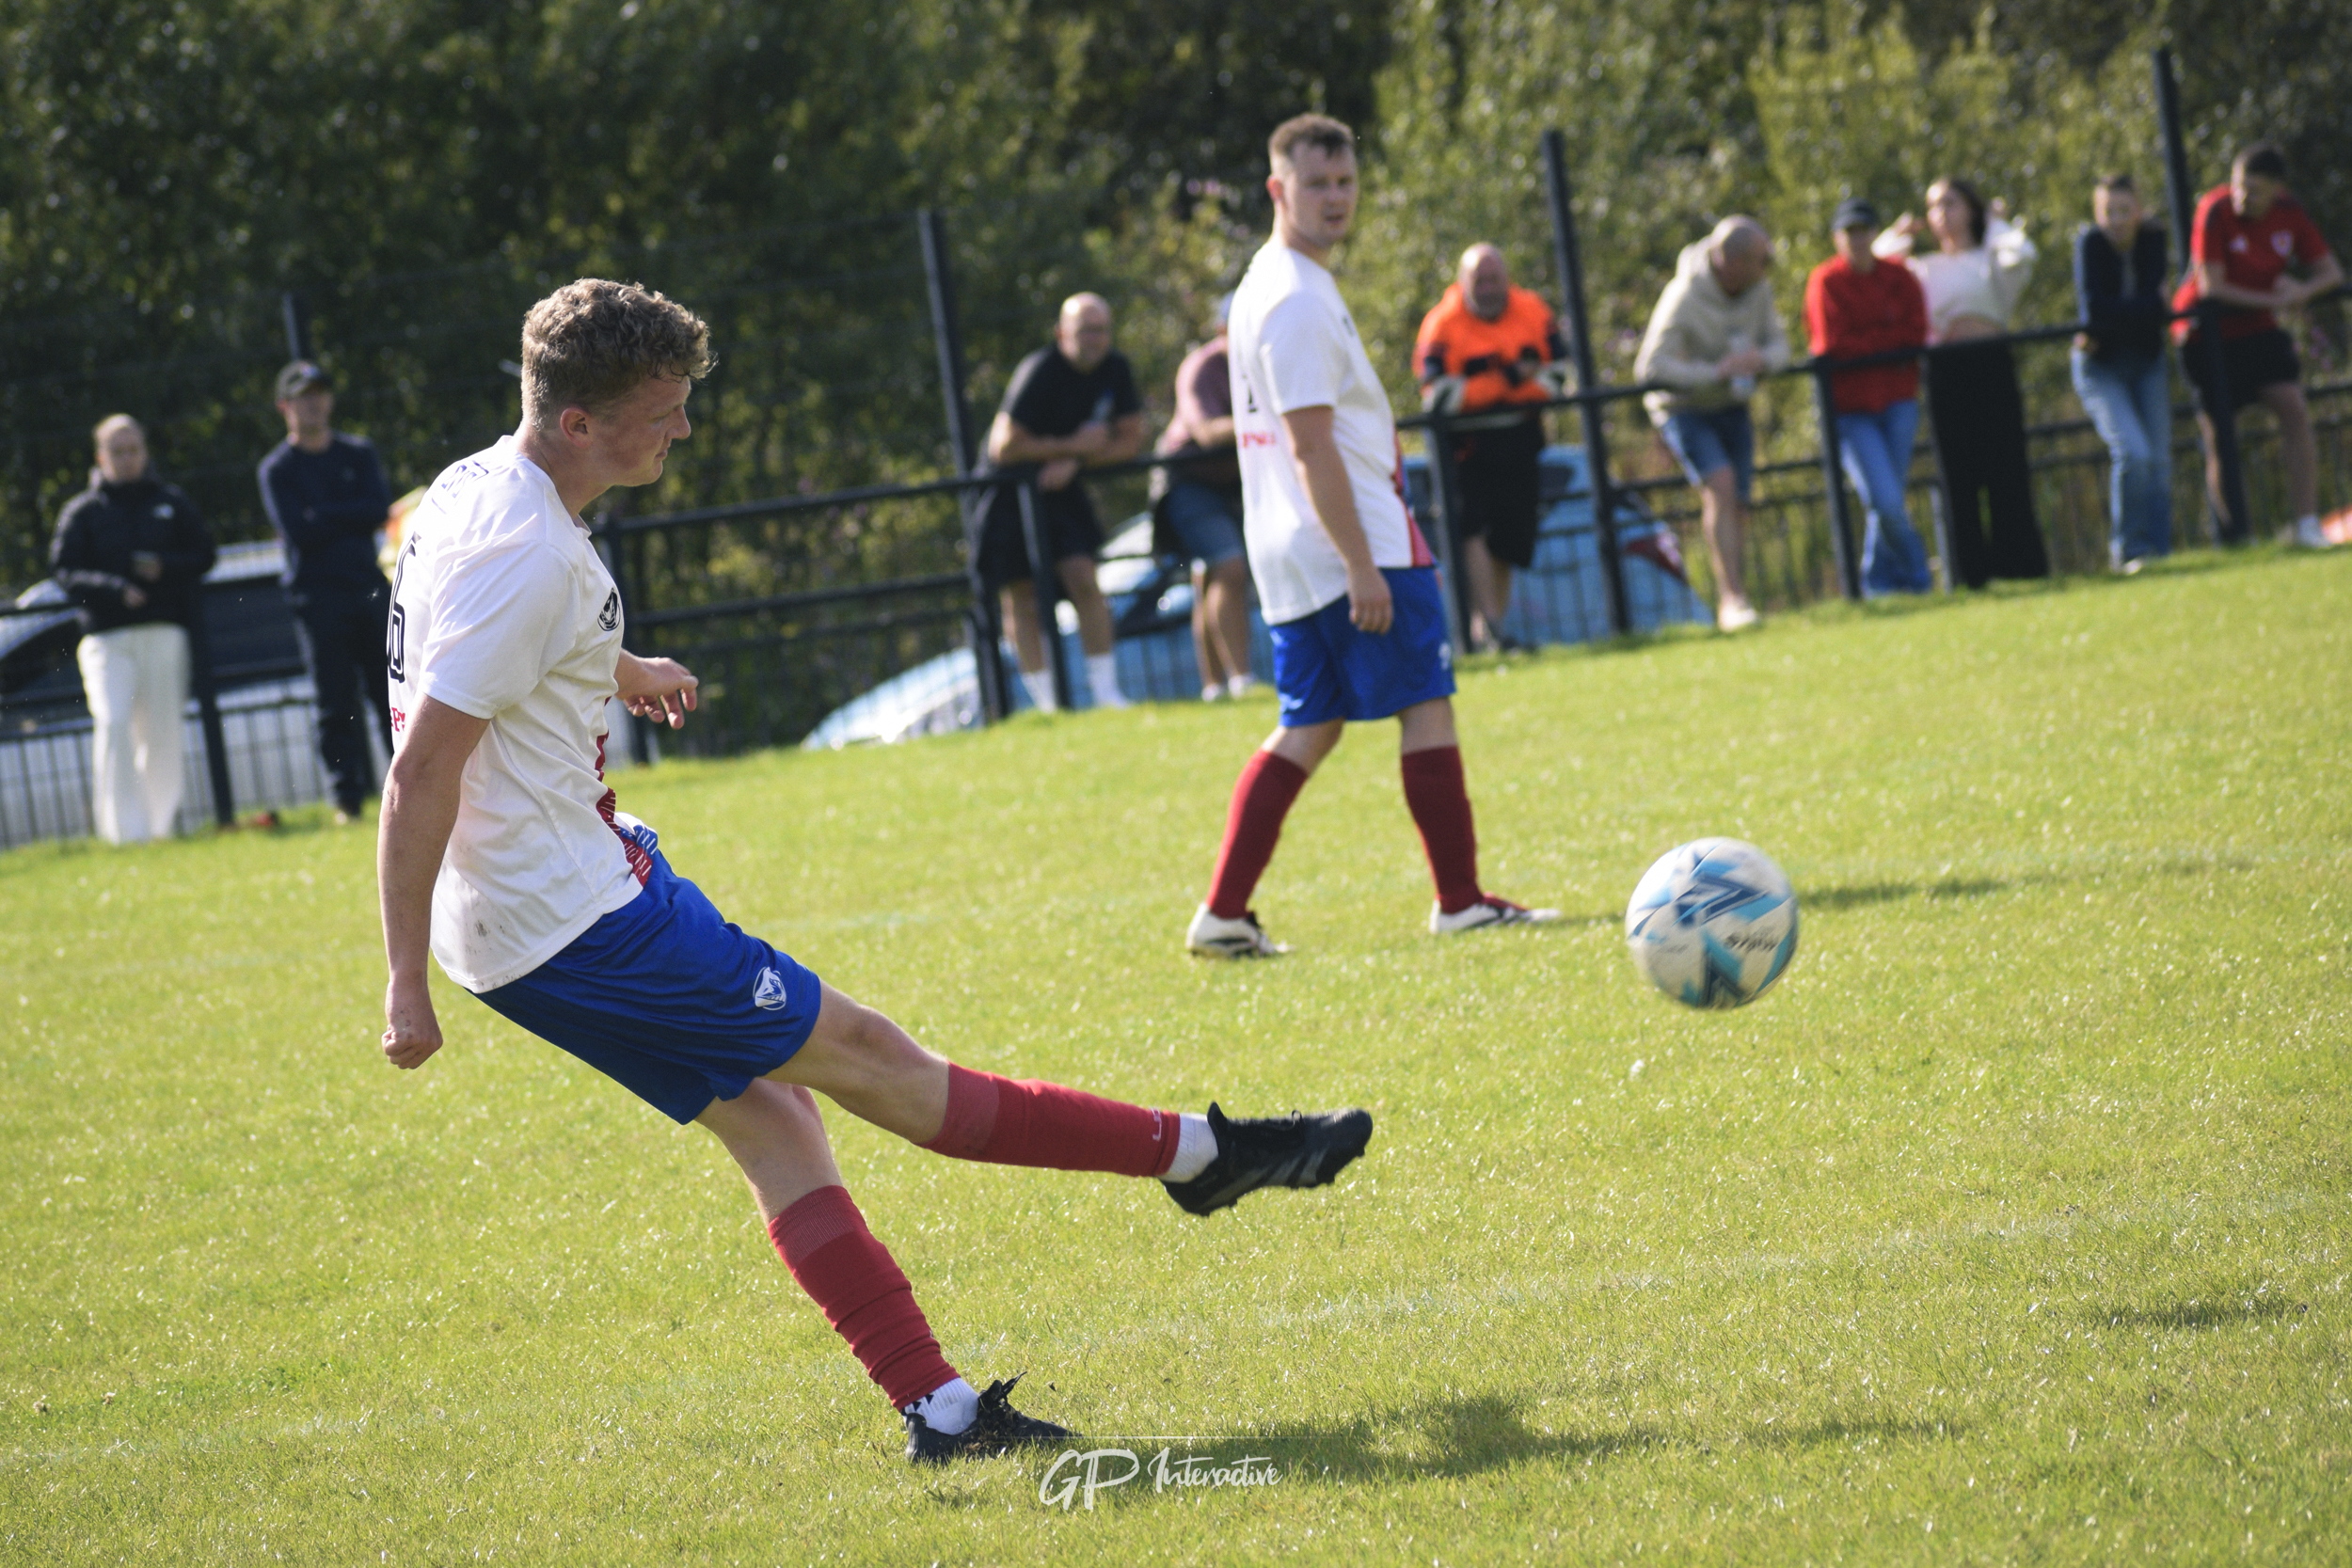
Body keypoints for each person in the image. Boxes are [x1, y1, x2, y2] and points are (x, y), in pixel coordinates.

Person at [376, 277, 1374, 1464]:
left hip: (536, 914)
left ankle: (941, 1412)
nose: (683, 427)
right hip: (579, 920)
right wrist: (402, 985)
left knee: (777, 1120)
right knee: (886, 1070)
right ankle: (1204, 1155)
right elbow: (420, 770)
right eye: (662, 408)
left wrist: (619, 666)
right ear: (579, 419)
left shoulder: (475, 486)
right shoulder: (530, 552)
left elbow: (476, 651)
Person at [1183, 114, 1560, 958]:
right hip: (1354, 539)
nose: (1335, 198)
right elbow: (1312, 445)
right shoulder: (1294, 298)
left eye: (1345, 182)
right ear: (1277, 189)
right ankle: (1460, 901)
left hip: (1291, 545)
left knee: (1310, 724)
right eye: (1316, 183)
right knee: (1425, 703)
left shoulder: (1269, 282)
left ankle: (1224, 914)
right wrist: (1362, 565)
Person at [972, 293, 1146, 711]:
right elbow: (1003, 446)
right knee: (1022, 595)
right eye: (1085, 330)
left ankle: (1106, 693)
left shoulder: (1115, 369)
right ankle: (1048, 705)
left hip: (1061, 488)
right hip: (1008, 491)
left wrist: (1075, 460)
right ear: (1061, 333)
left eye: (1101, 330)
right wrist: (1071, 446)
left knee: (1084, 576)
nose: (1094, 339)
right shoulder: (1039, 370)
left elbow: (1131, 440)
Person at [49, 415, 217, 844]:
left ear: (145, 452)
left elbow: (204, 554)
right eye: (117, 451)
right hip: (106, 637)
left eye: (134, 450)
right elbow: (64, 570)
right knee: (114, 722)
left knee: (161, 731)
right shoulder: (82, 512)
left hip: (164, 630)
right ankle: (124, 834)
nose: (127, 459)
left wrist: (164, 568)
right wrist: (115, 590)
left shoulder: (171, 502)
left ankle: (159, 829)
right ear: (100, 457)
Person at [2169, 143, 2344, 548]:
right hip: (2206, 334)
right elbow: (2212, 287)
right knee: (2219, 434)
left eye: (2254, 190)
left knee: (2293, 409)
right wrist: (2274, 299)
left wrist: (2302, 291)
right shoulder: (2214, 210)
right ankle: (2238, 538)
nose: (2241, 196)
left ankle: (2306, 524)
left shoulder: (2290, 213)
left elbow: (2331, 273)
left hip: (2257, 330)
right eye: (2237, 185)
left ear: (2278, 190)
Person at [1877, 178, 2047, 587]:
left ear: (1971, 208)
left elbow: (2022, 254)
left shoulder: (1990, 258)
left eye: (1950, 203)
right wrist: (1899, 234)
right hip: (1945, 371)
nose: (1941, 214)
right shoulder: (1923, 267)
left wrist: (1996, 223)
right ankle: (1971, 574)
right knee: (1958, 472)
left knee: (2006, 464)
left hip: (1991, 365)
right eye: (1933, 206)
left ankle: (2020, 565)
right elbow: (1877, 267)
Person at [258, 360, 397, 823]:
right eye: (303, 396)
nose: (313, 404)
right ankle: (347, 800)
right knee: (335, 703)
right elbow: (299, 531)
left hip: (369, 592)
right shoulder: (276, 469)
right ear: (284, 406)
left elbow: (377, 510)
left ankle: (407, 790)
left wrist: (323, 514)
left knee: (391, 694)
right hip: (317, 599)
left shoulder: (359, 452)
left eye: (319, 393)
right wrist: (347, 515)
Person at [1634, 216, 1789, 632]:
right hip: (1683, 408)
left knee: (1738, 501)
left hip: (1732, 404)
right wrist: (1715, 372)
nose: (1768, 267)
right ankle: (1731, 599)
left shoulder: (1758, 289)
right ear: (1733, 262)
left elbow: (1782, 346)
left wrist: (1760, 360)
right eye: (1762, 260)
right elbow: (1650, 367)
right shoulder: (1684, 296)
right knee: (1720, 484)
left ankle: (1738, 595)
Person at [1412, 244, 1569, 651]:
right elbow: (1437, 395)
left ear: (1507, 278)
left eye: (1494, 279)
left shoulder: (1532, 310)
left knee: (1509, 538)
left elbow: (1559, 375)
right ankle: (1491, 629)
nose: (1488, 288)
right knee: (1472, 530)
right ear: (1462, 283)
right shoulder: (1442, 323)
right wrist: (1508, 382)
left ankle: (1489, 630)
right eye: (1479, 280)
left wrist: (1489, 387)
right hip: (1465, 443)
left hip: (1520, 437)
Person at [1804, 197, 1934, 595]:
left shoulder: (1899, 276)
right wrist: (1885, 342)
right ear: (1837, 238)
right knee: (1886, 500)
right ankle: (1919, 577)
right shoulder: (1826, 281)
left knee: (1888, 498)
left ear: (1875, 234)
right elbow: (1832, 344)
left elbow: (1916, 331)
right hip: (1851, 410)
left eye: (1863, 231)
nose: (1857, 240)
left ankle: (1878, 583)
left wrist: (1871, 342)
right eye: (1850, 232)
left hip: (1898, 401)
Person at [1152, 295, 1257, 701]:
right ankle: (1242, 679)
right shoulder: (1201, 366)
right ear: (1221, 329)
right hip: (1186, 481)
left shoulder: (1261, 362)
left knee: (1211, 578)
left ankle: (1214, 688)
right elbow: (1208, 432)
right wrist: (1269, 419)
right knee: (1229, 567)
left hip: (1232, 481)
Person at [2071, 175, 2176, 570]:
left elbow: (2156, 310)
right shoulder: (2089, 244)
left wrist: (2138, 310)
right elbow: (2094, 310)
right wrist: (2147, 306)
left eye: (2124, 210)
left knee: (2159, 461)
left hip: (2146, 361)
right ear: (2097, 215)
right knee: (2134, 453)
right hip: (2100, 366)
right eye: (2107, 212)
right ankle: (2129, 551)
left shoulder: (2153, 238)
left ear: (2139, 211)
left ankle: (2161, 554)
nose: (2116, 220)